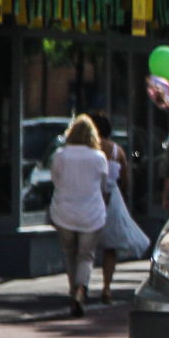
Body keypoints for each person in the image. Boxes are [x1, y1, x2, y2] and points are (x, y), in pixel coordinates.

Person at [49, 115, 108, 316]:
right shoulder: (99, 157)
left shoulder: (60, 155)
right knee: (86, 255)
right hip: (91, 213)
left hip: (64, 212)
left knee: (70, 254)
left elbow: (55, 180)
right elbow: (103, 186)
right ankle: (81, 289)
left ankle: (73, 289)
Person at [89, 112, 149, 303]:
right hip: (112, 200)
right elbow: (126, 180)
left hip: (89, 198)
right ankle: (106, 287)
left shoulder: (87, 148)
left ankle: (80, 285)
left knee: (85, 245)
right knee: (110, 247)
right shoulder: (117, 151)